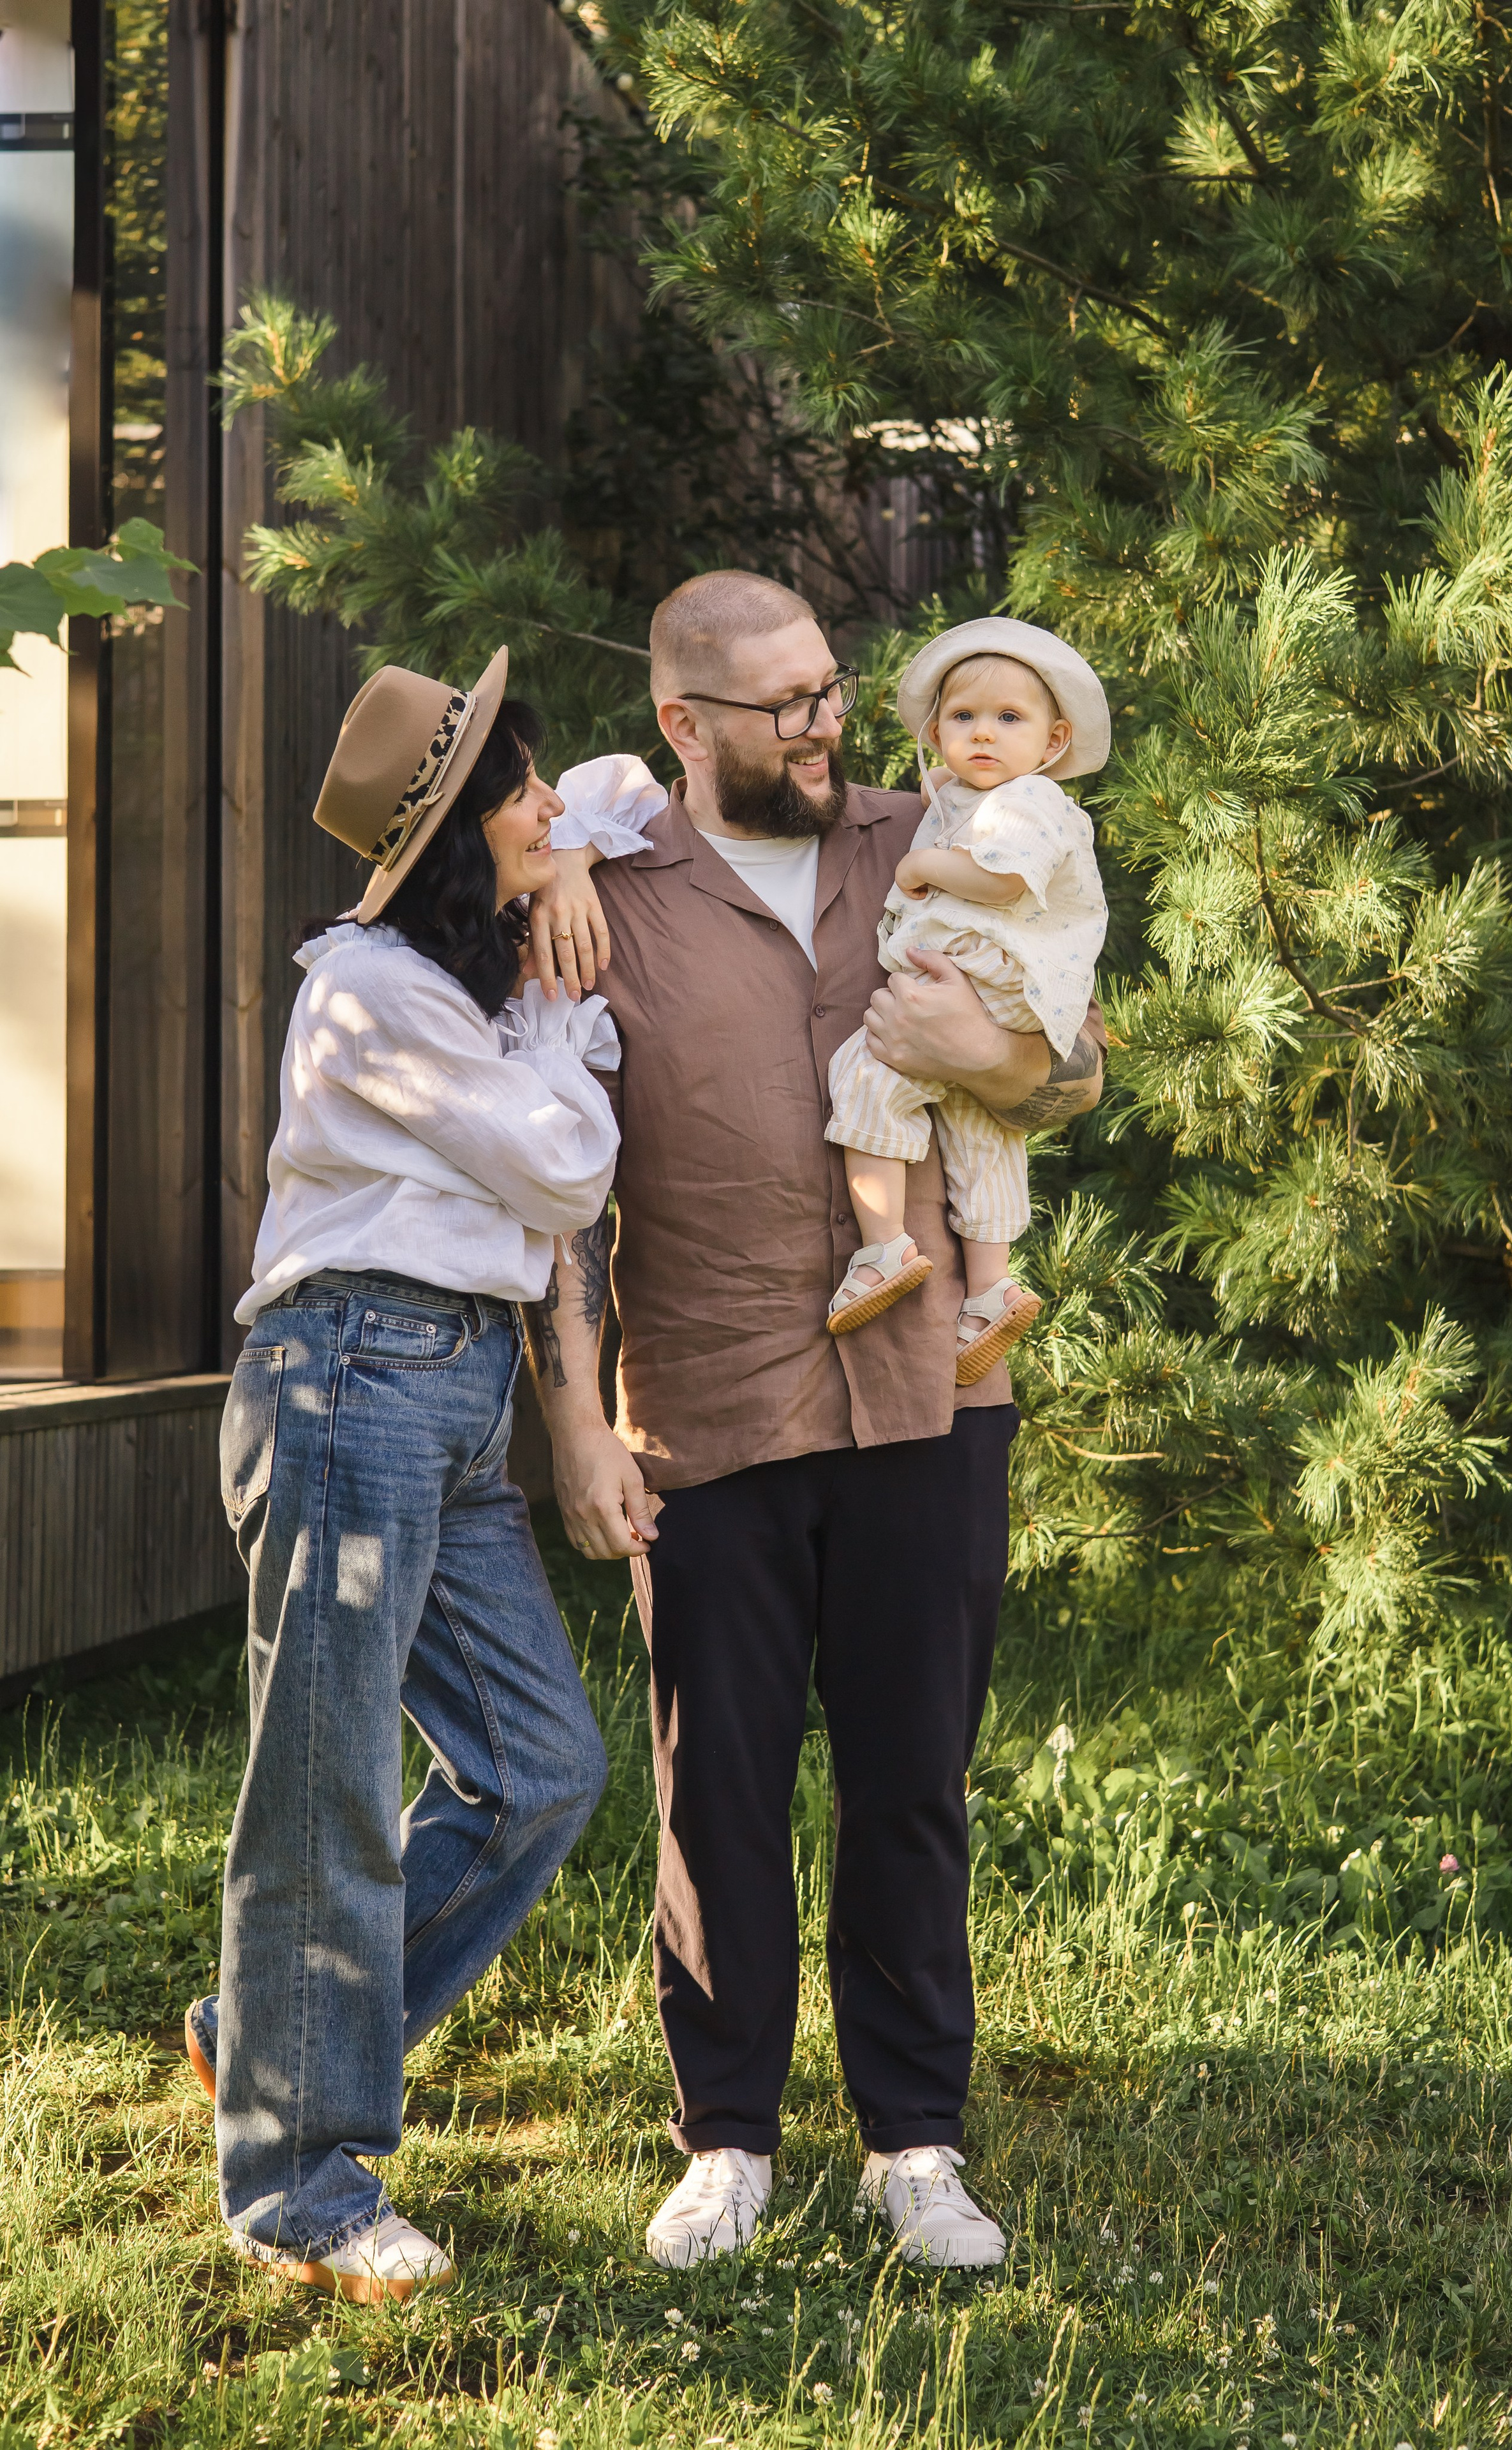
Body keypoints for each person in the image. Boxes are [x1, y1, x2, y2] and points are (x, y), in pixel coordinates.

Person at [533, 572, 1108, 2272]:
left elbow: (1079, 1061)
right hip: (703, 1402)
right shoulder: (600, 897)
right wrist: (577, 1419)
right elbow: (556, 1184)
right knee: (714, 1786)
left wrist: (1005, 1069)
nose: (825, 722)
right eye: (780, 703)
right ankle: (728, 2139)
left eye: (832, 689)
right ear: (681, 726)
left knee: (912, 1774)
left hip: (936, 1389)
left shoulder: (939, 828)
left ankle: (912, 2139)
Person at [184, 650, 618, 2303]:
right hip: (350, 1381)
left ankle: (267, 2032)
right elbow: (567, 1164)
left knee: (540, 1769)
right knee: (332, 1786)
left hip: (455, 1397)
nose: (550, 807)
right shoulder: (373, 986)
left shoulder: (468, 969)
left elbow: (635, 796)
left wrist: (565, 860)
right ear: (447, 838)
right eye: (518, 795)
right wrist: (573, 1020)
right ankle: (301, 2182)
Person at [824, 618, 1110, 1382]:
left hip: (983, 970)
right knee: (979, 1124)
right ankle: (990, 1290)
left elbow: (1004, 880)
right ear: (935, 730)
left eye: (1008, 719)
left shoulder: (1029, 802)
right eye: (962, 718)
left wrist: (924, 862)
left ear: (1053, 743)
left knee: (870, 1072)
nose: (983, 734)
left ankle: (882, 1250)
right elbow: (954, 802)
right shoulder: (969, 796)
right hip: (1010, 990)